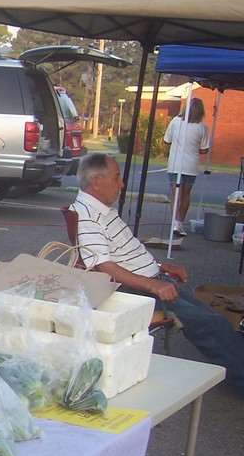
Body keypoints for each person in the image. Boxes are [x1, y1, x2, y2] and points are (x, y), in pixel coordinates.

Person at [71, 153, 242, 391]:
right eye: (117, 178)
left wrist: (161, 267)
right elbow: (103, 265)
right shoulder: (88, 216)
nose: (121, 184)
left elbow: (127, 253)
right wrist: (153, 284)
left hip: (151, 281)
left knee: (210, 315)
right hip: (136, 290)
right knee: (213, 325)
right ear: (96, 181)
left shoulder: (102, 210)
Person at [162, 98, 210, 236]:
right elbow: (204, 149)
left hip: (175, 164)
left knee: (176, 194)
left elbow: (167, 140)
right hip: (191, 165)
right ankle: (180, 222)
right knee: (186, 195)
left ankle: (175, 222)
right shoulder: (202, 127)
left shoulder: (175, 122)